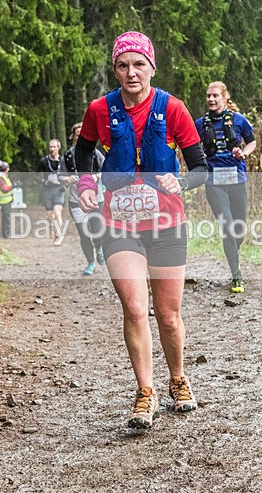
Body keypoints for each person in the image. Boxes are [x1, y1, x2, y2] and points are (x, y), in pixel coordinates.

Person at [75, 31, 208, 429]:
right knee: (134, 307)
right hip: (118, 223)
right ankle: (145, 392)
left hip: (167, 222)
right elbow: (83, 152)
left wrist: (180, 183)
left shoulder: (175, 109)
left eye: (138, 64)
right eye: (123, 65)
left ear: (152, 66)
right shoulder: (100, 109)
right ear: (115, 69)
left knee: (167, 315)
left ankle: (178, 379)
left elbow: (201, 168)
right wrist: (85, 184)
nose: (131, 72)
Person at [194, 81, 257, 294]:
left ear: (224, 98)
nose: (211, 99)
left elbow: (252, 142)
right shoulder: (200, 124)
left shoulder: (239, 121)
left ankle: (233, 253)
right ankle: (236, 276)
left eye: (215, 96)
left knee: (239, 229)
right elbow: (190, 146)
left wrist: (244, 153)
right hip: (214, 184)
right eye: (208, 96)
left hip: (237, 181)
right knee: (228, 228)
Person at [61, 122, 106, 276]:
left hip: (96, 198)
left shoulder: (95, 153)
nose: (80, 137)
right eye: (77, 135)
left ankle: (99, 247)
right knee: (83, 233)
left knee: (96, 229)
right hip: (75, 199)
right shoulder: (67, 156)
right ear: (73, 137)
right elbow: (61, 176)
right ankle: (91, 263)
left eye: (82, 134)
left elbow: (106, 170)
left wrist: (95, 176)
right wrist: (68, 179)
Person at [37, 139, 66, 245]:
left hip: (59, 189)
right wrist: (44, 181)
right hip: (47, 189)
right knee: (50, 215)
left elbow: (68, 174)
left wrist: (65, 184)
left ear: (59, 147)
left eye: (54, 146)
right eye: (50, 147)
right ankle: (51, 226)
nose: (52, 149)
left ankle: (59, 235)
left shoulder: (63, 161)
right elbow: (36, 175)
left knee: (57, 211)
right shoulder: (44, 161)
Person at [0, 160, 13, 238]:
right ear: (5, 169)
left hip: (7, 201)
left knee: (7, 218)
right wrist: (12, 187)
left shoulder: (3, 177)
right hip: (4, 201)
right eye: (7, 168)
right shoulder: (1, 178)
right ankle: (6, 235)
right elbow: (4, 189)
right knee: (6, 218)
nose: (9, 169)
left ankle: (7, 234)